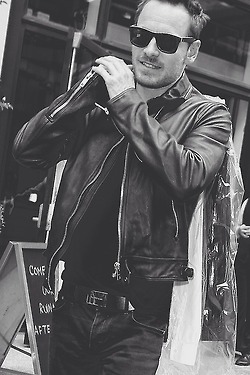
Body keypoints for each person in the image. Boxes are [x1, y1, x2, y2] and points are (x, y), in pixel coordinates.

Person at [12, 0, 232, 374]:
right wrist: (81, 97)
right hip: (71, 308)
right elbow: (27, 151)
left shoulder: (207, 113)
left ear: (191, 51)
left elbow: (188, 176)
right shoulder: (100, 98)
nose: (148, 49)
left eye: (165, 41)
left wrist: (125, 101)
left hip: (138, 325)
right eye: (141, 36)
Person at [235, 197, 250, 366]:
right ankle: (242, 345)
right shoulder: (246, 202)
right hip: (244, 260)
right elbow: (236, 224)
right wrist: (238, 230)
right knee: (243, 304)